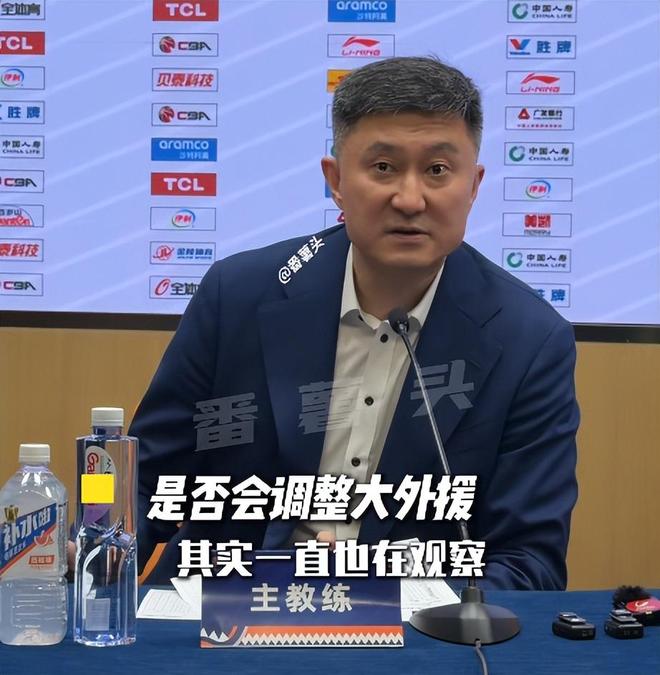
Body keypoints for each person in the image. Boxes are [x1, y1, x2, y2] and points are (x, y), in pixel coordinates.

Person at [131, 56, 579, 589]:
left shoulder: (529, 340)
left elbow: (528, 562)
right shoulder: (239, 294)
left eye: (438, 170)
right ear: (337, 181)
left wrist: (372, 588)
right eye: (383, 167)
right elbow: (144, 481)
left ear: (474, 184)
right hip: (224, 605)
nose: (409, 199)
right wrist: (91, 552)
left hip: (411, 625)